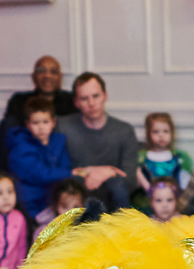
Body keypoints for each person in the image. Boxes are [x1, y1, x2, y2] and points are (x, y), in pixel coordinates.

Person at [57, 73, 141, 213]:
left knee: (118, 185)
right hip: (75, 198)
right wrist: (89, 171)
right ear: (76, 102)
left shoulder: (124, 131)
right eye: (84, 98)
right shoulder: (63, 127)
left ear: (105, 95)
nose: (91, 103)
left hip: (114, 197)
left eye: (96, 96)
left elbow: (130, 179)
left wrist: (109, 171)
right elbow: (53, 169)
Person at [6, 97, 73, 218]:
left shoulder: (58, 140)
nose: (41, 127)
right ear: (27, 124)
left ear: (53, 122)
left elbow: (65, 164)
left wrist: (69, 173)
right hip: (30, 202)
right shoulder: (20, 146)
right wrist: (70, 173)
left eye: (45, 122)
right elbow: (39, 174)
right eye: (35, 123)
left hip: (53, 198)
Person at [0, 56, 73, 157]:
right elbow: (12, 135)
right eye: (41, 71)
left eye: (53, 71)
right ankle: (4, 173)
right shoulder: (19, 101)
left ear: (60, 77)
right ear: (33, 76)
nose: (47, 75)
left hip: (60, 157)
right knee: (8, 123)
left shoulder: (71, 101)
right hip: (26, 155)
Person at [137, 113, 192, 194]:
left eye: (165, 131)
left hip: (172, 200)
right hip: (147, 200)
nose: (161, 135)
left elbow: (185, 183)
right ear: (148, 133)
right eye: (156, 132)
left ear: (172, 133)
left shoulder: (179, 158)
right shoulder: (142, 158)